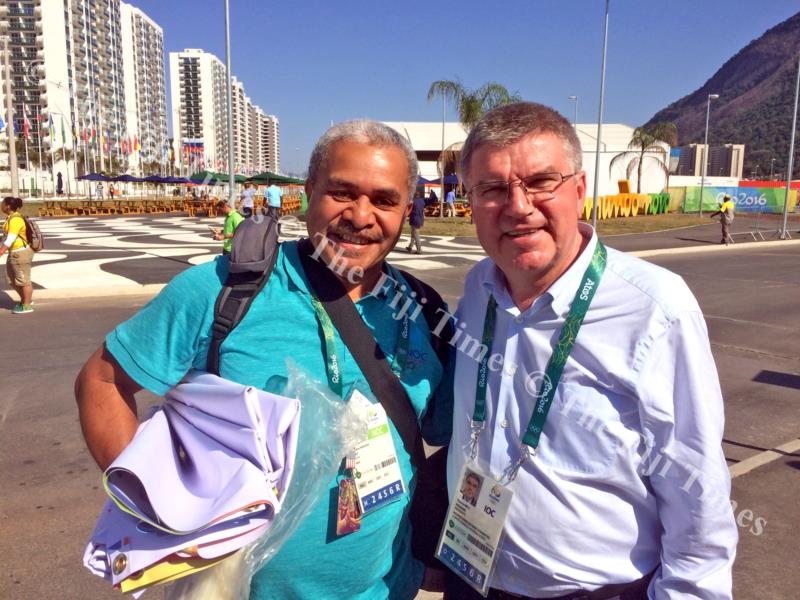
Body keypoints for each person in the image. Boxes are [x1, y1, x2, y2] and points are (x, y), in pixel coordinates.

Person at [74, 120, 453, 600]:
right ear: (309, 191)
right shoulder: (224, 290)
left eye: (384, 199)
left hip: (386, 589)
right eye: (341, 192)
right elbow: (102, 381)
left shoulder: (423, 311)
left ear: (407, 208)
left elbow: (459, 440)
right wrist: (157, 513)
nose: (360, 216)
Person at [445, 102, 737, 599]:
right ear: (470, 201)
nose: (518, 206)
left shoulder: (654, 309)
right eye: (492, 188)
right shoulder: (478, 290)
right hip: (473, 577)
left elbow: (697, 490)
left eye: (540, 182)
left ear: (579, 191)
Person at [1, 196, 34, 314]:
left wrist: (1, 251)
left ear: (8, 206)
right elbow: (6, 235)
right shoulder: (10, 218)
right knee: (12, 279)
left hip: (20, 253)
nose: (1, 205)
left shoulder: (15, 219)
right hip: (13, 253)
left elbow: (11, 238)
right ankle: (26, 299)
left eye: (3, 203)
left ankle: (26, 305)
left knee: (23, 280)